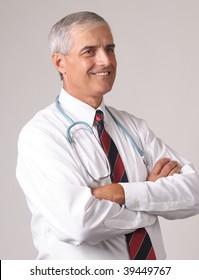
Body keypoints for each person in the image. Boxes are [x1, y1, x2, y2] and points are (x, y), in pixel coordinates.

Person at [16, 11, 199, 260]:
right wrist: (150, 203)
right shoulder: (41, 135)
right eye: (89, 51)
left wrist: (122, 193)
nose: (105, 61)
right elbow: (79, 223)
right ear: (59, 62)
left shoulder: (134, 127)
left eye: (109, 49)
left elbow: (193, 192)